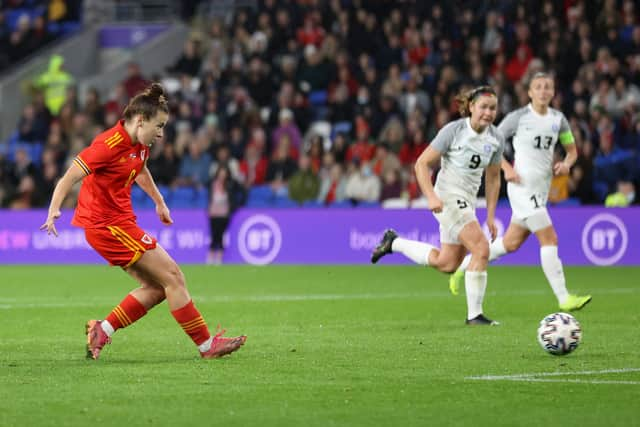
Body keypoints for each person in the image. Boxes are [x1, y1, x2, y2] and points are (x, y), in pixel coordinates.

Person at [40, 83, 246, 360]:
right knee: (173, 276)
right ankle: (207, 346)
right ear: (140, 121)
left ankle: (102, 330)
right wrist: (54, 209)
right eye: (158, 126)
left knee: (159, 287)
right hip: (106, 226)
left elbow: (140, 171)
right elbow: (69, 176)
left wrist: (159, 201)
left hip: (120, 222)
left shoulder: (139, 145)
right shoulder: (107, 145)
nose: (161, 134)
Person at [449, 72, 592, 312]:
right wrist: (506, 169)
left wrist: (567, 163)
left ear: (553, 92)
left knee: (510, 244)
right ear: (530, 92)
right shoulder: (518, 118)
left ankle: (462, 267)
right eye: (538, 87)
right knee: (550, 238)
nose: (544, 91)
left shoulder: (559, 120)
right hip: (522, 188)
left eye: (548, 87)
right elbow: (491, 141)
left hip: (541, 190)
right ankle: (563, 297)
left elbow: (572, 151)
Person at [371, 86, 505, 326]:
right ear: (471, 107)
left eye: (492, 108)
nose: (488, 112)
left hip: (467, 202)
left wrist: (491, 216)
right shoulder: (454, 131)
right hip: (448, 197)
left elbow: (493, 178)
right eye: (483, 107)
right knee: (482, 249)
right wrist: (431, 196)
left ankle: (394, 242)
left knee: (448, 264)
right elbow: (421, 164)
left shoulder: (496, 139)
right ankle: (475, 316)